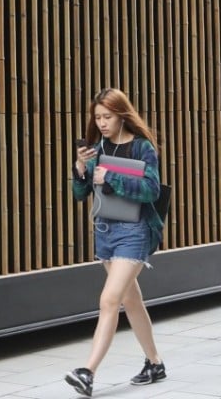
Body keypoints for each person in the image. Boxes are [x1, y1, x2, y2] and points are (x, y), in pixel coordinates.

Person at [64, 88, 166, 397]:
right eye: (97, 117)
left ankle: (88, 371)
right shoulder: (98, 149)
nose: (102, 123)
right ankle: (155, 363)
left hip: (135, 231)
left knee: (109, 300)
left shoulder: (141, 147)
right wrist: (81, 170)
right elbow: (81, 195)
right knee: (131, 301)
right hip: (105, 231)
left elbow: (152, 190)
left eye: (107, 116)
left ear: (122, 114)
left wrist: (111, 178)